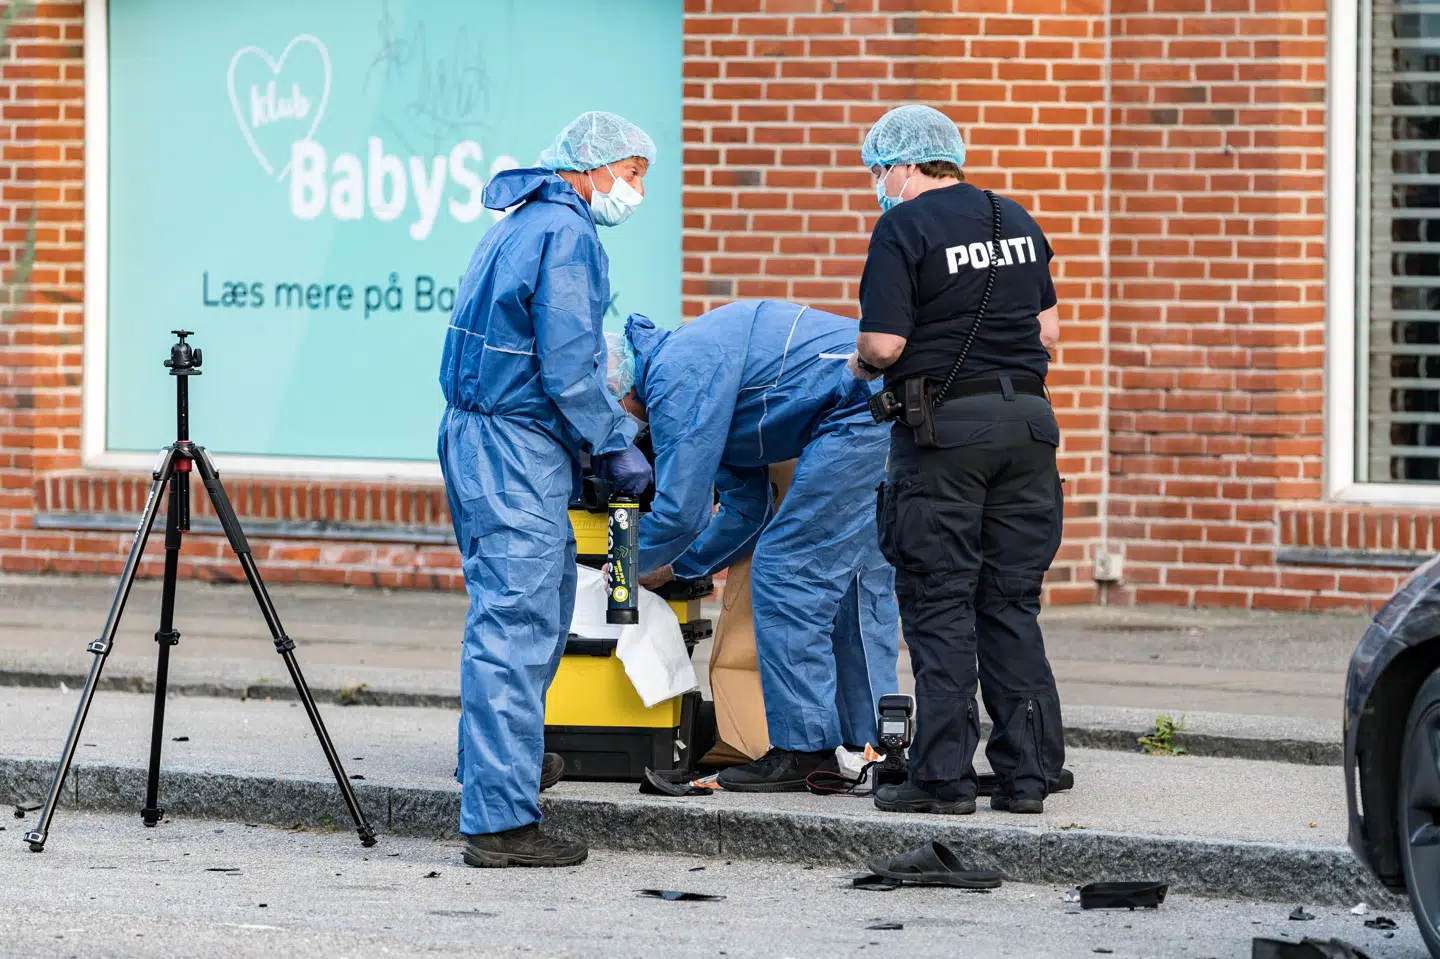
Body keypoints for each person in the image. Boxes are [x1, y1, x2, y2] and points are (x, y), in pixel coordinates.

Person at [437, 111, 656, 867]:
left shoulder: (518, 220)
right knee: (519, 619)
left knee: (517, 608)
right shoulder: (566, 234)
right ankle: (499, 821)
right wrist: (614, 440)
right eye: (631, 172)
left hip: (480, 437)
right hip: (513, 445)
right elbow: (568, 363)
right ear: (589, 166)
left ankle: (500, 765)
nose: (634, 190)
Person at [848, 104, 1066, 816]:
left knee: (940, 600)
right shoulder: (1016, 219)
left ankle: (942, 776)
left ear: (908, 165)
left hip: (945, 434)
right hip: (1029, 428)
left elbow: (883, 345)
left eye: (881, 169)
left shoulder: (902, 227)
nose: (880, 182)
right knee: (1008, 602)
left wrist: (856, 365)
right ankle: (1028, 773)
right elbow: (1049, 336)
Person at [611, 301, 901, 791]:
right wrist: (679, 567)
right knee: (851, 581)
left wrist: (625, 561)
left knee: (786, 571)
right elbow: (748, 510)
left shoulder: (674, 373)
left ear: (618, 392)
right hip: (880, 409)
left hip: (861, 408)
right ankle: (877, 748)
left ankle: (803, 749)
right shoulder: (693, 382)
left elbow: (682, 511)